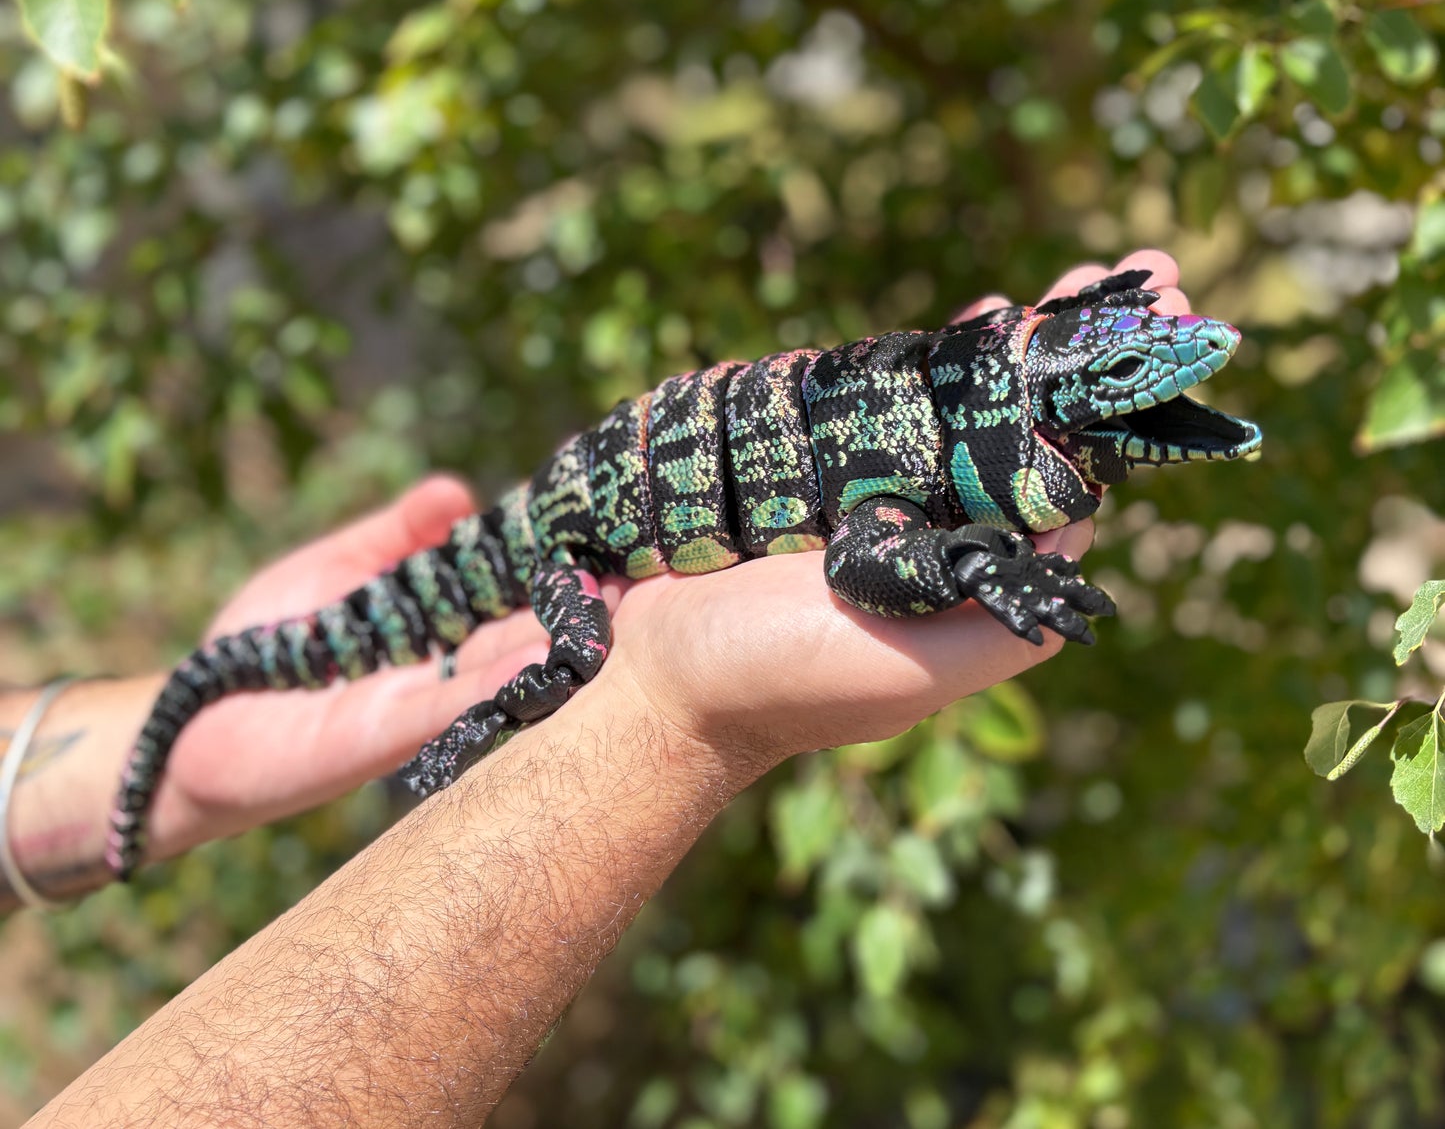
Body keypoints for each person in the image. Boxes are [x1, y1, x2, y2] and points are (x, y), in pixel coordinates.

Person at [9, 254, 1190, 1127]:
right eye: (1126, 364)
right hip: (577, 525)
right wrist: (981, 565)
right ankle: (474, 715)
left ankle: (168, 741)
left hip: (601, 482)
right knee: (574, 657)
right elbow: (859, 559)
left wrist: (115, 781)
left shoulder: (932, 418)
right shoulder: (917, 449)